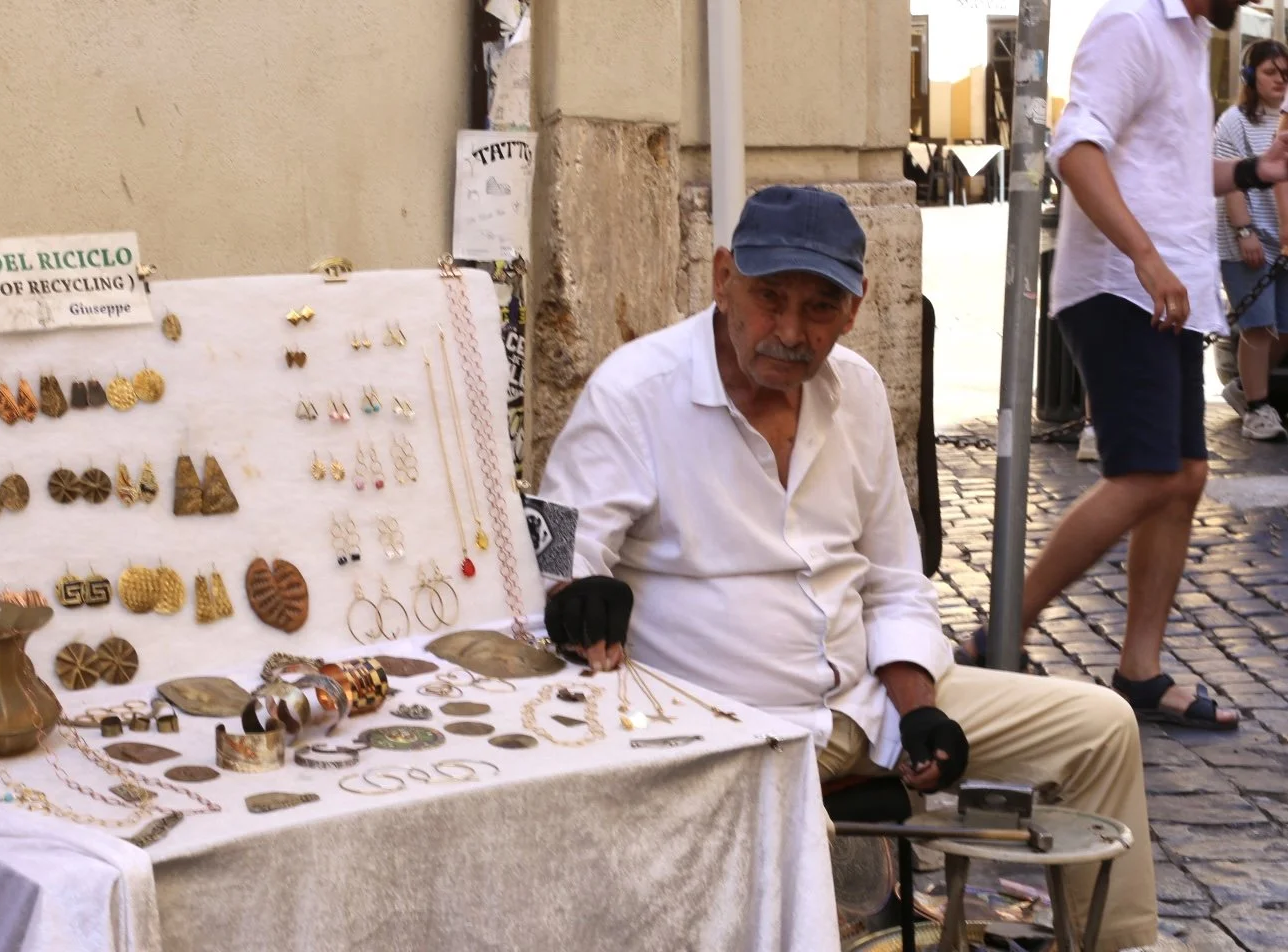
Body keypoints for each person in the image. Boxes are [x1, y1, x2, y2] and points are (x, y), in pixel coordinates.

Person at [538, 185, 1160, 951]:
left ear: (856, 307)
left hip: (863, 700)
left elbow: (895, 579)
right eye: (769, 299)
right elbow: (556, 553)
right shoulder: (635, 390)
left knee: (1099, 726)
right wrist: (577, 595)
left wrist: (915, 705)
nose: (790, 332)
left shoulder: (857, 391)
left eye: (820, 308)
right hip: (731, 726)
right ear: (720, 277)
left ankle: (1115, 945)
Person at [956, 0, 1288, 729]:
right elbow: (1075, 148)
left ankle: (1139, 670)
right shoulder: (1132, 24)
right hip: (1119, 286)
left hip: (1169, 291)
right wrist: (1143, 257)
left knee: (1184, 477)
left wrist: (1254, 171)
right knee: (1146, 474)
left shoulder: (1190, 38)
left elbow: (1167, 169)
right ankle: (998, 635)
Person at [1218, 39, 1288, 440]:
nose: (1280, 80)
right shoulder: (1233, 122)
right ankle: (1258, 411)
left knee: (1284, 328)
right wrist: (1244, 231)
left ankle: (1244, 388)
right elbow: (1231, 182)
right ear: (1250, 77)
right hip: (1247, 237)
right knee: (1258, 326)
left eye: (1285, 73)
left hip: (1283, 242)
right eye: (1270, 71)